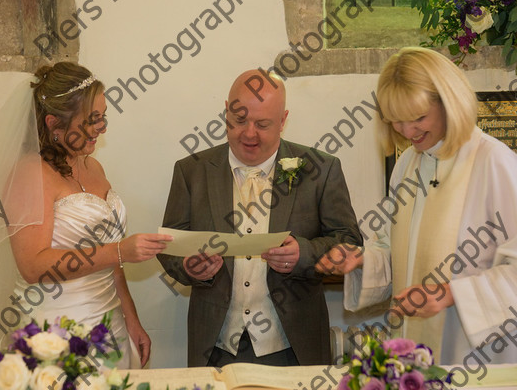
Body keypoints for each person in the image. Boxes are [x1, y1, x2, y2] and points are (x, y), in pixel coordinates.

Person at [0, 62, 172, 367]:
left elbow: (113, 260)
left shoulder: (93, 167)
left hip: (110, 330)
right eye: (92, 120)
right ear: (53, 124)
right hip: (58, 334)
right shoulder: (29, 174)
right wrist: (119, 250)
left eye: (103, 117)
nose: (102, 128)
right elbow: (32, 266)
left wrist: (131, 318)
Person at [315, 47, 517, 364]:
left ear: (449, 103)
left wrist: (452, 294)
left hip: (477, 354)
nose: (408, 133)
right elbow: (397, 254)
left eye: (418, 118)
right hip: (417, 351)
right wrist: (361, 261)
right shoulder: (408, 163)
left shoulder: (493, 162)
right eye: (395, 121)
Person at [157, 69, 362, 367]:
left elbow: (349, 241)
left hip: (294, 345)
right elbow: (169, 246)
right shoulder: (191, 172)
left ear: (283, 120)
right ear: (227, 111)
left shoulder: (322, 170)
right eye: (239, 120)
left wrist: (303, 254)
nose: (249, 133)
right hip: (215, 346)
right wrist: (190, 267)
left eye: (262, 124)